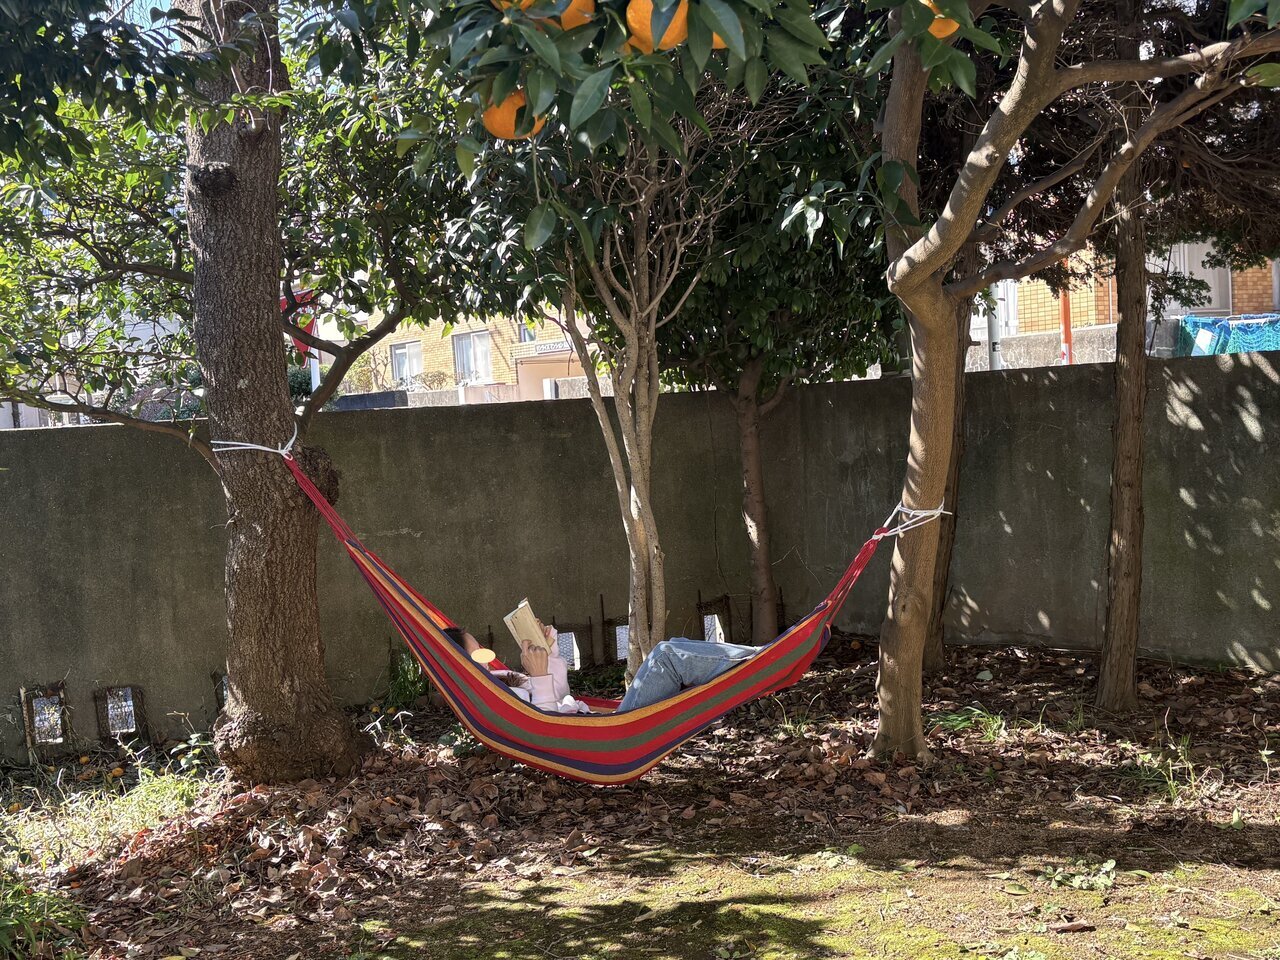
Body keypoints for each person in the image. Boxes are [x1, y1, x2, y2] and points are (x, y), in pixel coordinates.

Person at [448, 621, 761, 713]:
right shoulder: (491, 698)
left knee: (672, 650)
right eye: (478, 654)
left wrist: (550, 654)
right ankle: (759, 660)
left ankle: (756, 659)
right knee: (667, 655)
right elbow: (546, 726)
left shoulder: (499, 680)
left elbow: (558, 695)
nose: (487, 656)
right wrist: (539, 676)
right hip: (608, 735)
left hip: (606, 726)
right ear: (463, 666)